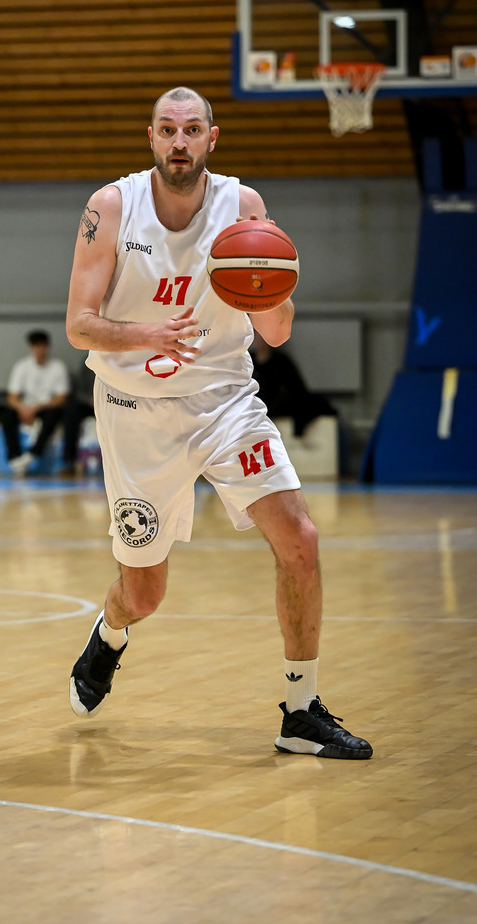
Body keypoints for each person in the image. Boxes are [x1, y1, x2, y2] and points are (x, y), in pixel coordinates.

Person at [65, 86, 372, 759]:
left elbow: (277, 332)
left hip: (226, 402)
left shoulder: (244, 209)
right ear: (150, 136)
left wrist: (272, 283)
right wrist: (150, 333)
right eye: (168, 130)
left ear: (212, 137)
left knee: (299, 538)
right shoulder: (111, 207)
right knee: (144, 593)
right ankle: (109, 632)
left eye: (192, 129)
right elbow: (78, 325)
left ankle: (300, 709)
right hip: (134, 413)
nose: (179, 142)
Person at [6, 330, 70, 475]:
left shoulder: (57, 367)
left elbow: (61, 398)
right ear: (30, 347)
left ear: (47, 347)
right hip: (26, 407)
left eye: (41, 346)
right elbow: (12, 397)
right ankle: (14, 457)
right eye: (36, 346)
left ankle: (33, 453)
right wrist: (22, 408)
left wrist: (37, 407)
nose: (39, 350)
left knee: (53, 416)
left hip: (45, 407)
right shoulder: (21, 366)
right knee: (6, 416)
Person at [250, 332, 337, 437]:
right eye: (257, 336)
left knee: (318, 405)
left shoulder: (281, 360)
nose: (260, 340)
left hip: (277, 404)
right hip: (255, 403)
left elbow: (298, 388)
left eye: (262, 336)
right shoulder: (248, 361)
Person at [60, 362, 96, 476]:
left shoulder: (119, 357)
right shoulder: (88, 360)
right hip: (89, 403)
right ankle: (69, 461)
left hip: (113, 402)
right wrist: (89, 399)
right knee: (71, 411)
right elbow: (79, 390)